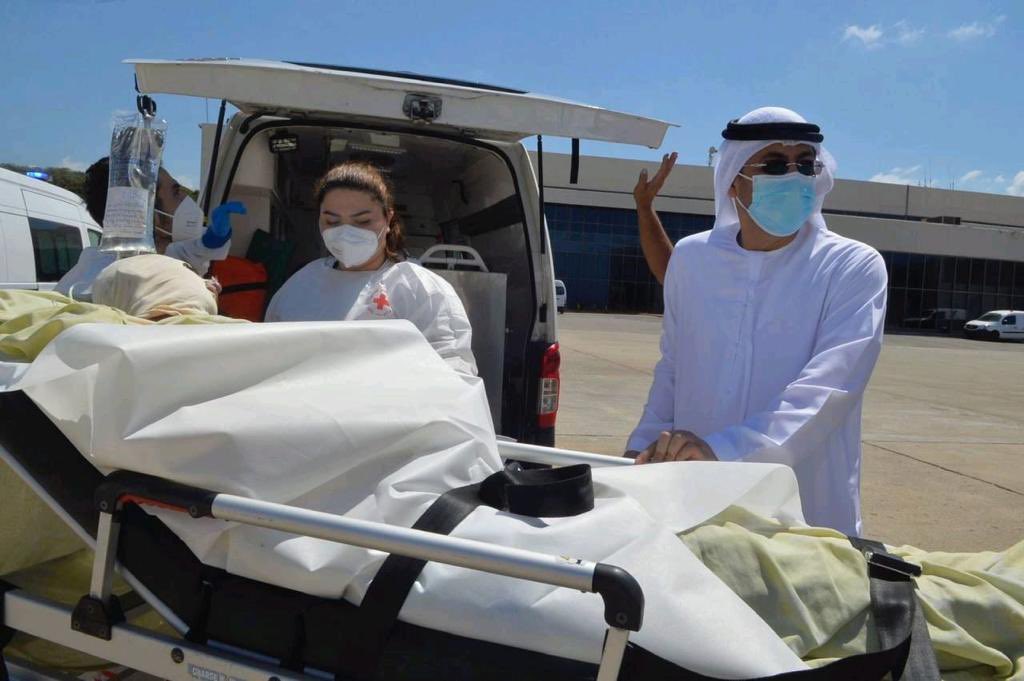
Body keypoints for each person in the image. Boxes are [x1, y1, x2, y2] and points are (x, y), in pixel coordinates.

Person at [626, 107, 888, 536]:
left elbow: (827, 391)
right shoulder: (693, 259)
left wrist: (721, 452)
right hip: (695, 500)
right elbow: (673, 368)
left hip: (803, 516)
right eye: (775, 165)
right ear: (733, 181)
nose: (794, 176)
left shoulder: (851, 266)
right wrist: (641, 447)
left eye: (805, 164)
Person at [265, 162, 477, 375]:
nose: (345, 233)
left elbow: (452, 368)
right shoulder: (302, 283)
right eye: (332, 221)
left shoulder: (420, 288)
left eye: (363, 221)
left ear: (388, 219)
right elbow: (271, 351)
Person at [55, 157, 245, 298]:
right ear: (149, 214)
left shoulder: (103, 266)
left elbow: (192, 250)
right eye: (176, 192)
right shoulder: (102, 291)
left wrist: (214, 237)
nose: (186, 199)